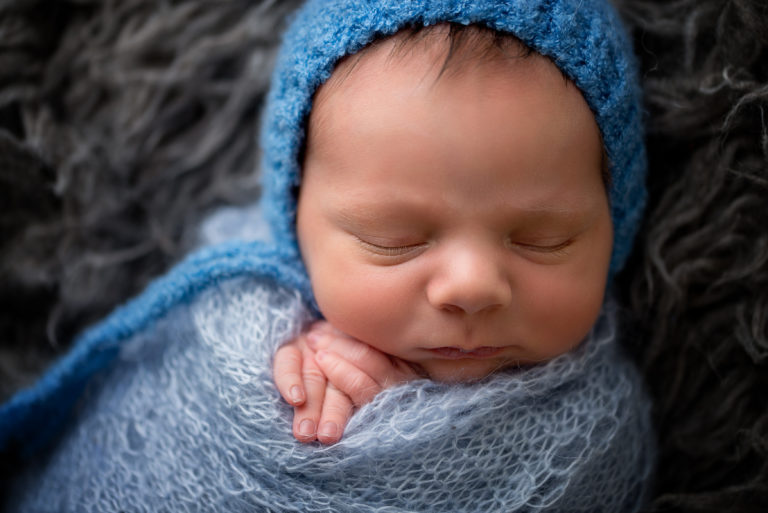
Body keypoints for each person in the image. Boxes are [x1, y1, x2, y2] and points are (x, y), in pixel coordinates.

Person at [270, 12, 643, 445]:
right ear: (294, 220)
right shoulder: (247, 326)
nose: (471, 288)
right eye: (394, 241)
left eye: (542, 240)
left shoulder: (607, 426)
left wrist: (409, 424)